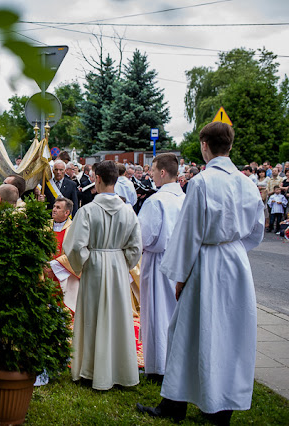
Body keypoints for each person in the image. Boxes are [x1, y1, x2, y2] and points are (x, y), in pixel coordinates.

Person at [137, 122, 265, 424]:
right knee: (229, 334)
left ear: (204, 145)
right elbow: (257, 231)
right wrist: (233, 247)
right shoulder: (247, 183)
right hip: (235, 263)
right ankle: (220, 409)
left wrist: (180, 276)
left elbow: (189, 232)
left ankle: (175, 405)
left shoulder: (202, 182)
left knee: (184, 331)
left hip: (206, 262)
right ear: (230, 146)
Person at [63, 160, 142, 391]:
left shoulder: (87, 211)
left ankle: (90, 370)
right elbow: (136, 247)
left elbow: (76, 247)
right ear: (115, 180)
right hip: (117, 265)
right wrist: (120, 262)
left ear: (96, 179)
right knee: (117, 317)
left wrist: (87, 262)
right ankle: (119, 371)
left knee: (92, 317)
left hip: (95, 265)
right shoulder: (128, 211)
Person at [136, 153, 186, 384]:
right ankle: (175, 363)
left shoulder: (156, 201)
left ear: (163, 173)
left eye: (153, 170)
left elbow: (144, 236)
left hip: (158, 262)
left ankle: (157, 367)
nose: (151, 174)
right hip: (181, 262)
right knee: (176, 313)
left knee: (156, 314)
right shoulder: (185, 198)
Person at [47, 197, 79, 315]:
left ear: (67, 213)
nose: (54, 209)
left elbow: (75, 254)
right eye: (54, 206)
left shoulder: (74, 229)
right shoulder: (45, 226)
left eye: (58, 208)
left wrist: (54, 265)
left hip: (64, 275)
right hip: (44, 272)